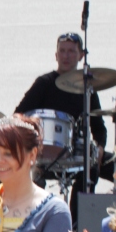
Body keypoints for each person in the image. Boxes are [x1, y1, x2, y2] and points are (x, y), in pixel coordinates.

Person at [14, 31, 108, 220]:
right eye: (62, 51)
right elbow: (18, 114)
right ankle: (35, 220)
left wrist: (99, 147)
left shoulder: (87, 87)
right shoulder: (44, 83)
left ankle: (77, 224)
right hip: (44, 151)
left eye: (71, 51)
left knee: (98, 167)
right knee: (32, 171)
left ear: (81, 55)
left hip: (77, 153)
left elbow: (99, 126)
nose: (66, 56)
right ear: (56, 55)